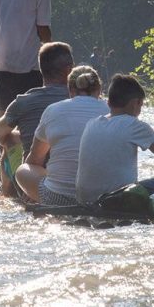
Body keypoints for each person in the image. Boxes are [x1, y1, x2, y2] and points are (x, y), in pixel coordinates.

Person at [75, 73, 154, 206]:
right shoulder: (134, 125)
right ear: (136, 103)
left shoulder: (92, 123)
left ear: (108, 102)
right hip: (118, 200)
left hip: (85, 200)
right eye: (141, 106)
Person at [14, 64, 107, 205]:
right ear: (99, 89)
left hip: (58, 198)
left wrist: (31, 190)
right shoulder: (112, 111)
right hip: (103, 199)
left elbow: (35, 160)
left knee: (22, 170)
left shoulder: (53, 110)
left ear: (69, 90)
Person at [0, 41, 72, 196]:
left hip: (36, 182)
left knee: (11, 139)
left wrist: (22, 139)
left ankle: (5, 195)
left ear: (41, 70)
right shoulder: (85, 100)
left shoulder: (24, 101)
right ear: (69, 70)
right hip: (77, 179)